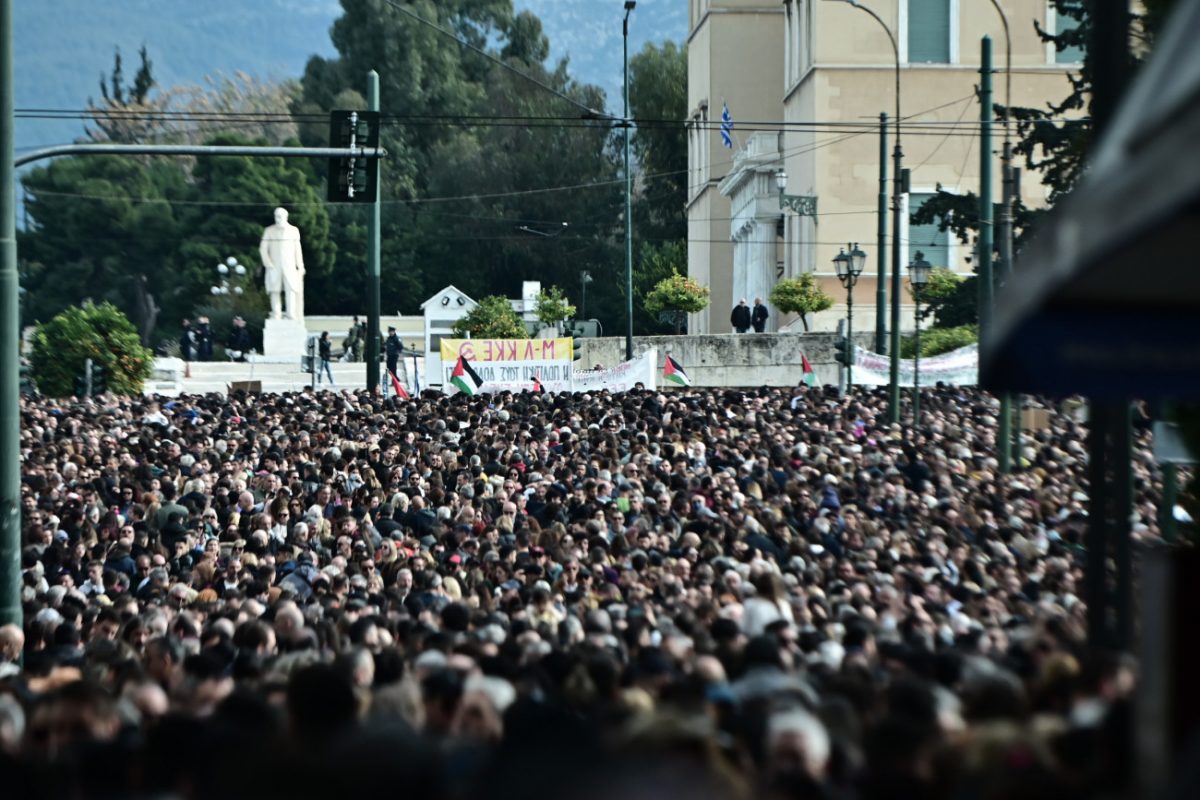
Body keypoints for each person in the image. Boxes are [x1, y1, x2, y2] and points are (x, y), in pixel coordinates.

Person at [259, 207, 306, 320]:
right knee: (274, 290)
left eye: (280, 216)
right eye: (276, 216)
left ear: (286, 217)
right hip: (274, 266)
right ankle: (276, 314)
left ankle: (291, 314)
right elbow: (263, 248)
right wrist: (268, 263)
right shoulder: (269, 230)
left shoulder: (294, 230)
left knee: (291, 289)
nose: (278, 219)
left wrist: (300, 265)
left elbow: (297, 249)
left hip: (290, 266)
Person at [384, 326, 402, 396]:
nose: (390, 333)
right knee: (389, 369)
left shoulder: (396, 339)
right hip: (389, 355)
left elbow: (400, 346)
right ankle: (396, 378)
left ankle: (394, 381)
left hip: (394, 355)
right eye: (389, 332)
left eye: (391, 331)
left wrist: (397, 352)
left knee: (393, 369)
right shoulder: (389, 338)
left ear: (394, 332)